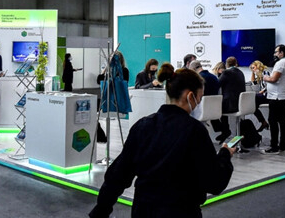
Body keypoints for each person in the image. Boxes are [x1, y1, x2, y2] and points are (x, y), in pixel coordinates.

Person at [89, 65, 235, 218]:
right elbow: (214, 182)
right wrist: (225, 154)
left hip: (143, 210)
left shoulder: (143, 126)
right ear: (189, 96)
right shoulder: (195, 131)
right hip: (182, 212)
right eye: (199, 97)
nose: (199, 103)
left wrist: (102, 209)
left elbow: (119, 174)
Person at [262, 44, 285, 155]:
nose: (274, 54)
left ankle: (274, 146)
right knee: (282, 122)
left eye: (276, 52)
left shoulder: (281, 63)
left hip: (277, 97)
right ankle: (282, 146)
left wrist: (265, 78)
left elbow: (274, 79)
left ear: (282, 53)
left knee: (273, 121)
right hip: (283, 96)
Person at [96, 52, 130, 143]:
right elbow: (99, 80)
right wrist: (105, 70)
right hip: (106, 98)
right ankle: (100, 136)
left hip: (116, 100)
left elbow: (122, 84)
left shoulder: (124, 71)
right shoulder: (108, 71)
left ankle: (101, 137)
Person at [215, 56, 246, 143]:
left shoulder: (226, 73)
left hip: (231, 105)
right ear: (236, 63)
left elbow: (217, 84)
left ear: (226, 64)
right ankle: (226, 131)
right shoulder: (241, 72)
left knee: (216, 109)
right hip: (241, 105)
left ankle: (225, 130)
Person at [249, 60, 270, 132]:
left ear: (258, 66)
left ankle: (263, 122)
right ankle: (263, 122)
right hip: (263, 95)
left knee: (253, 97)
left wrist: (263, 91)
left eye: (253, 67)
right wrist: (253, 72)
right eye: (251, 68)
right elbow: (253, 83)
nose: (253, 69)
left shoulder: (265, 73)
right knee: (253, 107)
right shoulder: (259, 76)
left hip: (267, 95)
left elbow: (270, 85)